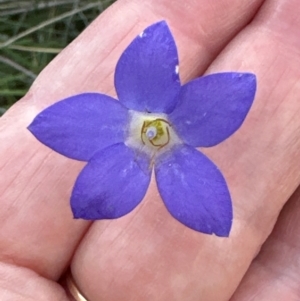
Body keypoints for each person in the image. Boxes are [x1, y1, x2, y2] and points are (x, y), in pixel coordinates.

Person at [0, 0, 300, 300]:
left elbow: (231, 94)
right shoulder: (96, 127)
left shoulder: (212, 108)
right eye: (151, 130)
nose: (153, 132)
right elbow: (63, 137)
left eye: (155, 130)